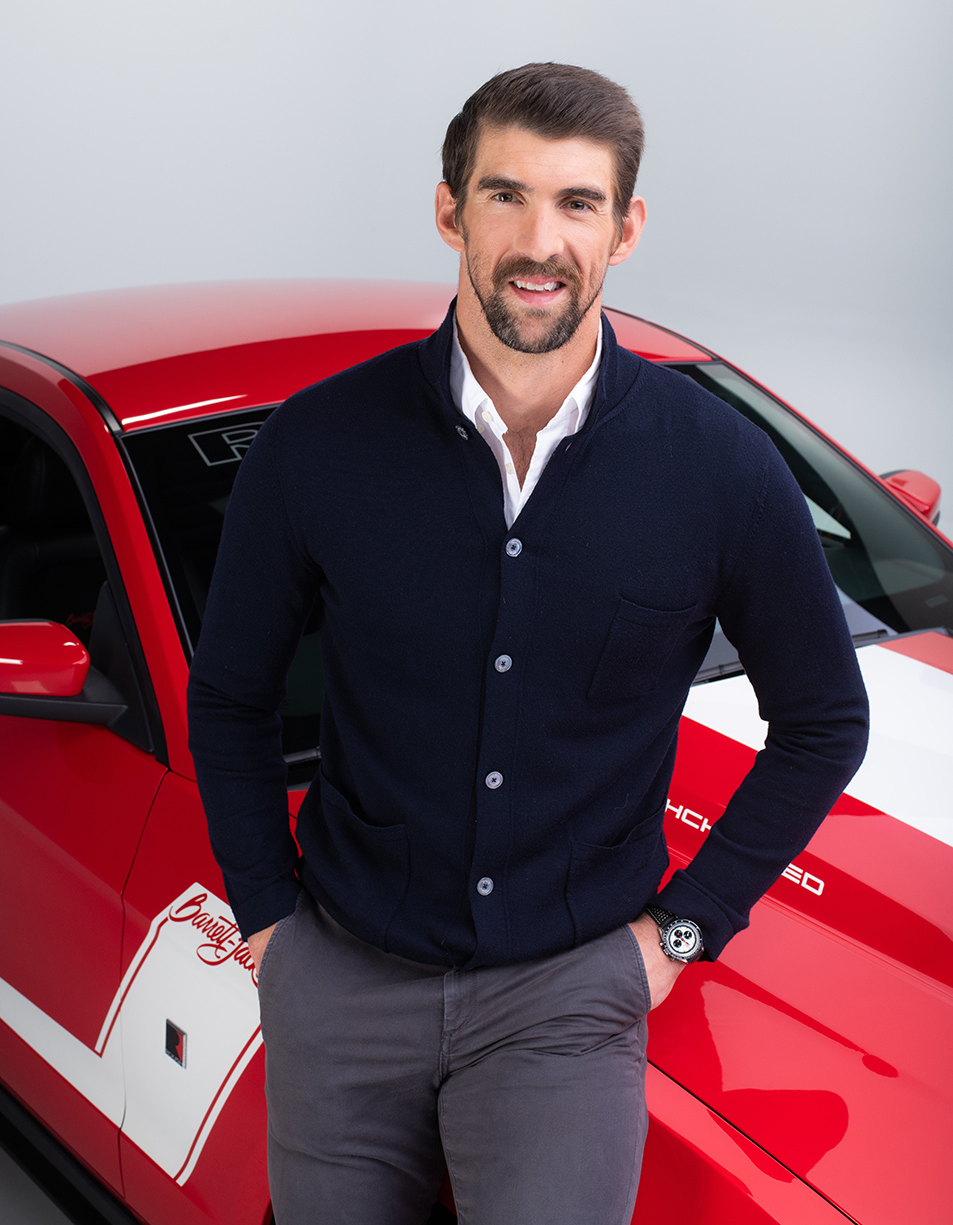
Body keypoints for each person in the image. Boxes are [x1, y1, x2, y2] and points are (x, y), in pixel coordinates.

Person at [187, 62, 869, 1225]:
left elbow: (824, 719)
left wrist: (682, 930)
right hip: (343, 976)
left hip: (568, 994)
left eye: (576, 203)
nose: (537, 240)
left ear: (627, 227)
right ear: (449, 210)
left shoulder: (719, 469)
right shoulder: (317, 444)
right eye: (504, 196)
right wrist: (269, 924)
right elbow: (231, 695)